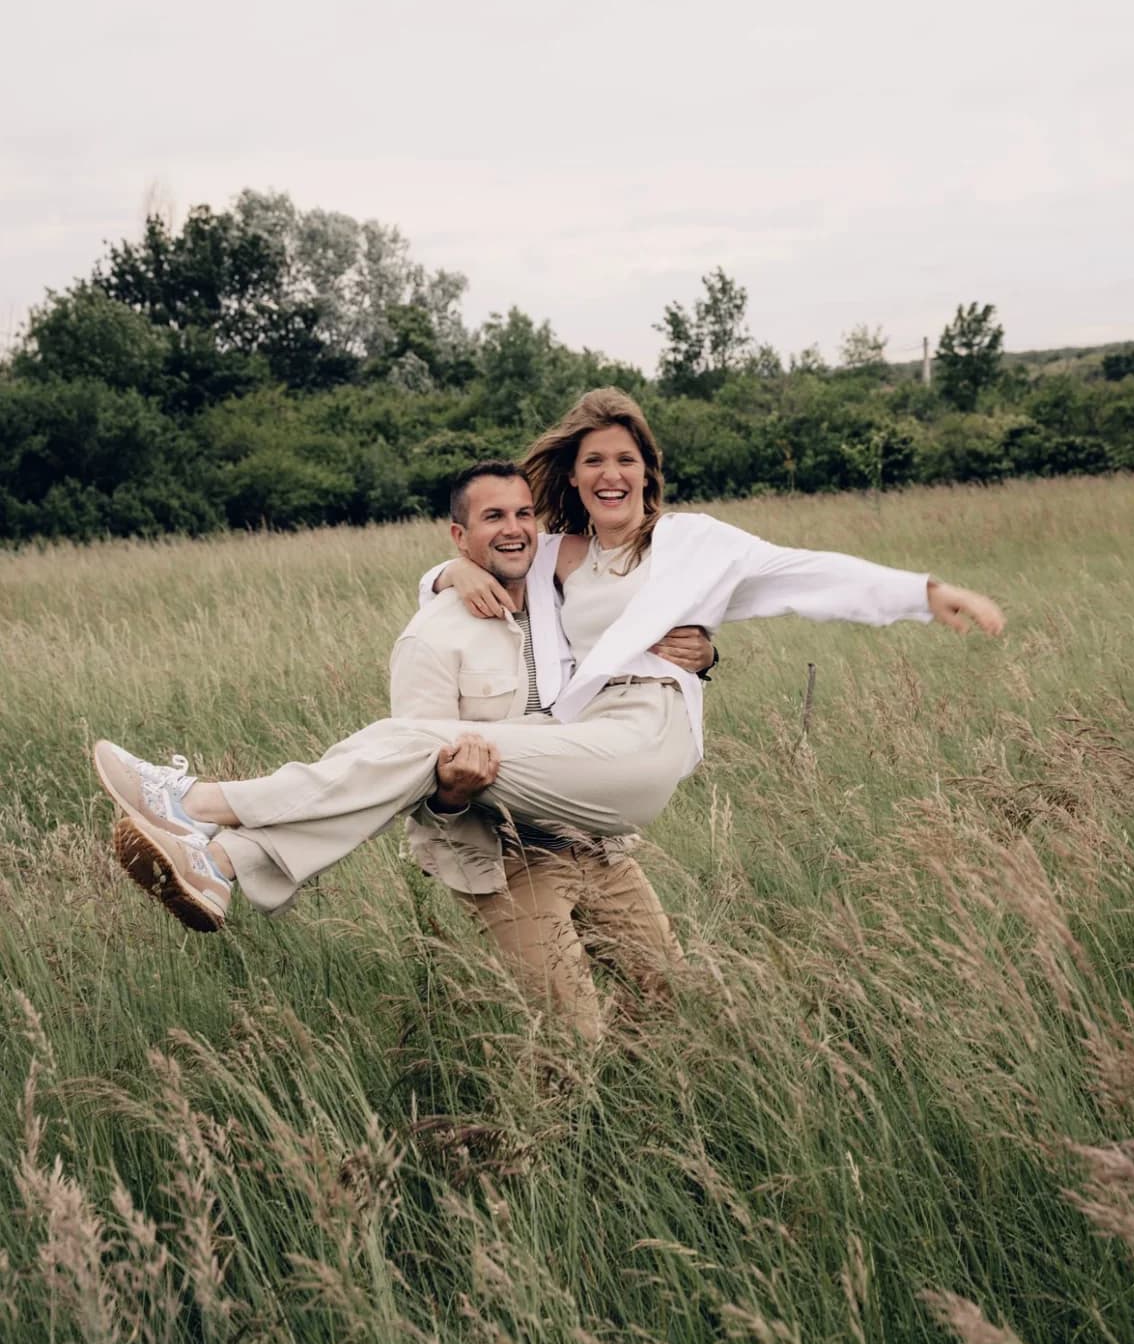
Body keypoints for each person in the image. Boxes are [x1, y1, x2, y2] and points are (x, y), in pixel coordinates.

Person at [92, 388, 1004, 936]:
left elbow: (812, 576)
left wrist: (927, 594)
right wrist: (446, 565)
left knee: (412, 739)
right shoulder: (554, 554)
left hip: (640, 745)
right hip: (572, 747)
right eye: (593, 461)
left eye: (627, 460)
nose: (611, 473)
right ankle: (227, 859)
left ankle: (199, 805)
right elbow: (474, 574)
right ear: (572, 477)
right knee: (425, 742)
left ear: (648, 472)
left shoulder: (696, 548)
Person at [391, 458, 715, 1042]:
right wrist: (452, 792)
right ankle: (548, 1130)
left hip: (596, 843)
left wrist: (706, 654)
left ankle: (649, 1113)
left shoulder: (564, 602)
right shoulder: (431, 638)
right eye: (493, 517)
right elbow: (414, 774)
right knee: (573, 1036)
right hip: (506, 858)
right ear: (459, 536)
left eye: (523, 514)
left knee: (671, 1000)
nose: (513, 528)